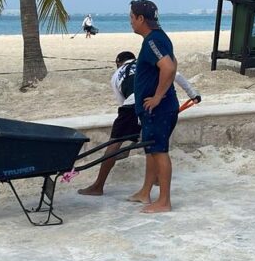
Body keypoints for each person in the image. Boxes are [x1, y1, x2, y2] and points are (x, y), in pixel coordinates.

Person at [78, 50, 201, 196]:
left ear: (118, 63)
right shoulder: (147, 64)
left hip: (131, 105)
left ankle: (98, 186)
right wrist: (194, 95)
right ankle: (156, 178)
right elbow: (176, 74)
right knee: (156, 144)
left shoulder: (117, 75)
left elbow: (122, 102)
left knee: (114, 144)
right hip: (157, 104)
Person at [126, 0, 179, 213]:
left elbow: (168, 68)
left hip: (159, 108)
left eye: (131, 17)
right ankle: (145, 191)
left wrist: (157, 96)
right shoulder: (158, 37)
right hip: (155, 108)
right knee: (151, 150)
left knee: (159, 151)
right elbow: (173, 63)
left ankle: (164, 201)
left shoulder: (152, 41)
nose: (130, 21)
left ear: (141, 18)